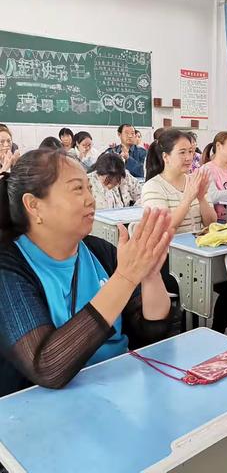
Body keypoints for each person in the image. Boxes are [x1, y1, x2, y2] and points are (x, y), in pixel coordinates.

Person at [0, 148, 173, 399]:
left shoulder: (100, 251)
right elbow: (47, 366)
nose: (90, 199)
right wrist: (125, 278)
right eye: (77, 189)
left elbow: (152, 330)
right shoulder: (9, 269)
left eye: (89, 188)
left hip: (118, 391)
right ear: (34, 205)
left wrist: (150, 275)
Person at [142, 129, 227, 333]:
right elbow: (164, 228)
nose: (189, 157)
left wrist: (201, 197)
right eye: (182, 152)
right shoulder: (153, 187)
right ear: (166, 156)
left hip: (200, 253)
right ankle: (188, 337)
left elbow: (211, 222)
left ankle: (216, 333)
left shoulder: (194, 180)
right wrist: (188, 198)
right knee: (192, 292)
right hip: (167, 259)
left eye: (191, 152)